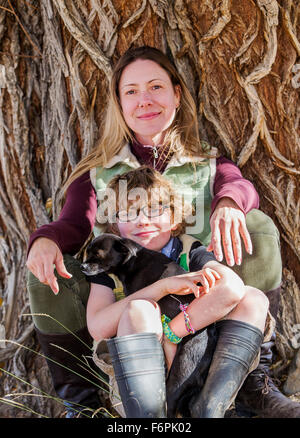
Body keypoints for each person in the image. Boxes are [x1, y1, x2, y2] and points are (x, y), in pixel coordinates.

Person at [26, 45, 299, 418]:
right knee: (44, 269)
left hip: (201, 294)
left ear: (177, 94)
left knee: (258, 226)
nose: (145, 100)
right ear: (119, 103)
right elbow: (73, 224)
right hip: (133, 301)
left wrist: (229, 203)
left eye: (156, 87)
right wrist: (44, 239)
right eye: (131, 91)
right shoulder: (99, 173)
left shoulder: (205, 161)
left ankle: (251, 385)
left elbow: (239, 183)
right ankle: (81, 402)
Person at [86, 166, 269, 418]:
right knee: (140, 309)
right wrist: (162, 288)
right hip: (140, 384)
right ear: (116, 225)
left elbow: (232, 288)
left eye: (154, 209)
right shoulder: (108, 265)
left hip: (199, 373)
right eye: (128, 213)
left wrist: (173, 332)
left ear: (173, 219)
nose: (142, 220)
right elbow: (97, 326)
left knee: (253, 298)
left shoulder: (188, 252)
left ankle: (208, 410)